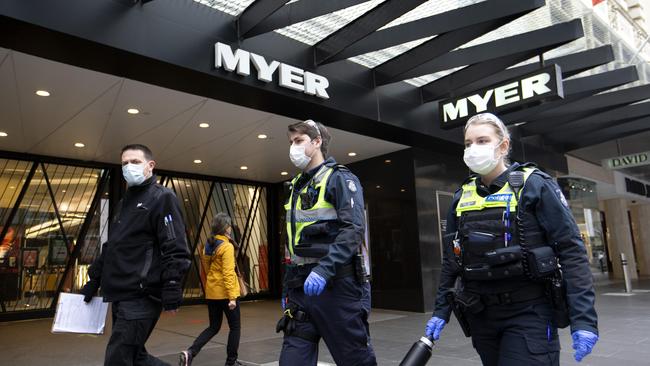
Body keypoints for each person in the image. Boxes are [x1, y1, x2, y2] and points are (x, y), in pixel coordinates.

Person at [424, 113, 598, 365]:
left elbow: (571, 250)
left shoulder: (534, 185)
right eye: (468, 143)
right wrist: (441, 311)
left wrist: (584, 319)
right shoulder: (462, 196)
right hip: (481, 315)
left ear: (503, 145)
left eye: (482, 140)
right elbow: (452, 260)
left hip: (529, 313)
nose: (473, 149)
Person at [80, 144, 191, 366]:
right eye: (124, 163)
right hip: (120, 294)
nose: (129, 167)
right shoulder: (125, 203)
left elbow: (175, 246)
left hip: (142, 296)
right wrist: (94, 279)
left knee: (117, 360)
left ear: (150, 166)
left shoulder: (162, 198)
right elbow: (114, 246)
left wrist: (171, 284)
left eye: (135, 162)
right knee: (135, 357)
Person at [278, 120, 377, 366]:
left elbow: (353, 229)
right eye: (291, 142)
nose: (293, 147)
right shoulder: (295, 186)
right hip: (301, 289)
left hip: (336, 287)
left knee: (356, 360)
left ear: (317, 141)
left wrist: (324, 270)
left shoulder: (339, 179)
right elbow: (292, 244)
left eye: (299, 141)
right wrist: (287, 289)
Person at [179, 213, 242, 366]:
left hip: (212, 292)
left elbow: (207, 270)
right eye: (229, 226)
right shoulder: (226, 247)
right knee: (235, 327)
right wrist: (232, 297)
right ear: (226, 228)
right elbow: (228, 273)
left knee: (213, 326)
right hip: (226, 294)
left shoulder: (208, 246)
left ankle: (190, 352)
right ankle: (231, 362)